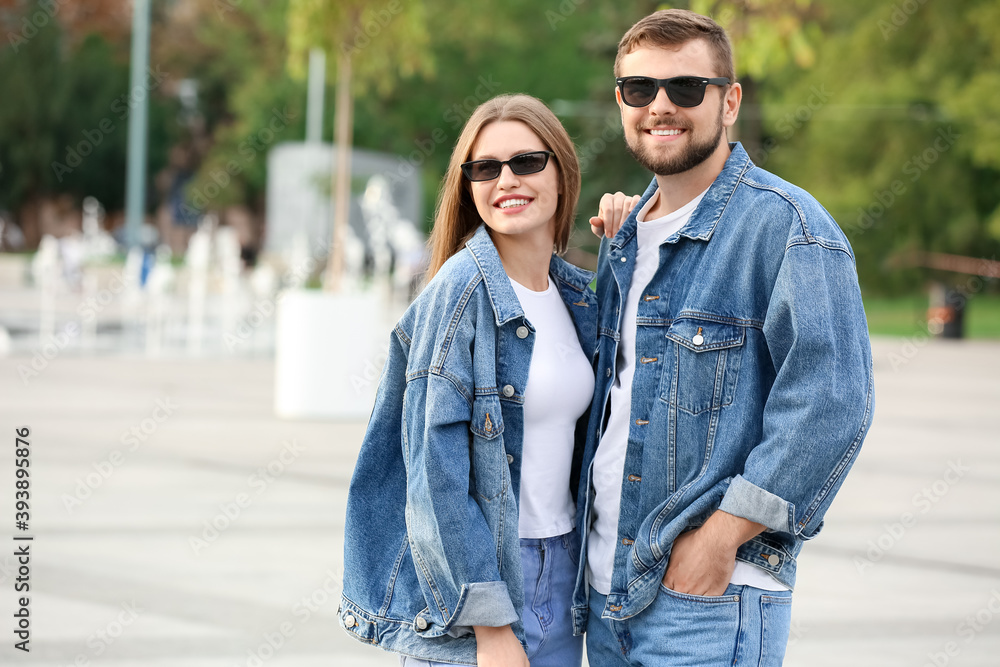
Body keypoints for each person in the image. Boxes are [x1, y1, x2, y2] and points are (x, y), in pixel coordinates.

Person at [575, 9, 875, 666]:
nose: (661, 105)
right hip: (605, 594)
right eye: (639, 89)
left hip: (707, 601)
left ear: (729, 100)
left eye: (686, 88)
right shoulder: (624, 241)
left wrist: (721, 537)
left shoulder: (788, 227)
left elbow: (831, 403)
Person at [340, 94, 597, 667]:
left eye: (527, 162)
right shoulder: (458, 295)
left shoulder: (576, 296)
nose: (507, 180)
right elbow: (435, 473)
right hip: (483, 591)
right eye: (485, 168)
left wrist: (628, 240)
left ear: (562, 171)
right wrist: (488, 622)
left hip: (565, 573)